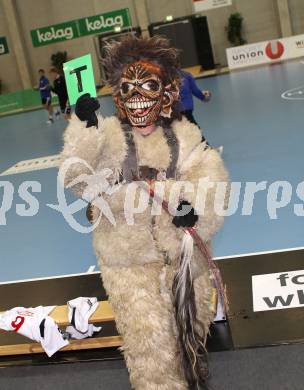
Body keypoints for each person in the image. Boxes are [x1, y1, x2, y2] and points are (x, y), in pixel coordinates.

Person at [61, 35, 228, 390]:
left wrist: (193, 206)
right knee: (148, 341)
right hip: (127, 261)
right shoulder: (106, 136)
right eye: (128, 87)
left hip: (182, 259)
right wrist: (84, 130)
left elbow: (210, 175)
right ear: (117, 95)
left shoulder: (184, 136)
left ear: (166, 93)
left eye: (149, 85)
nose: (138, 96)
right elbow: (78, 180)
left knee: (190, 331)